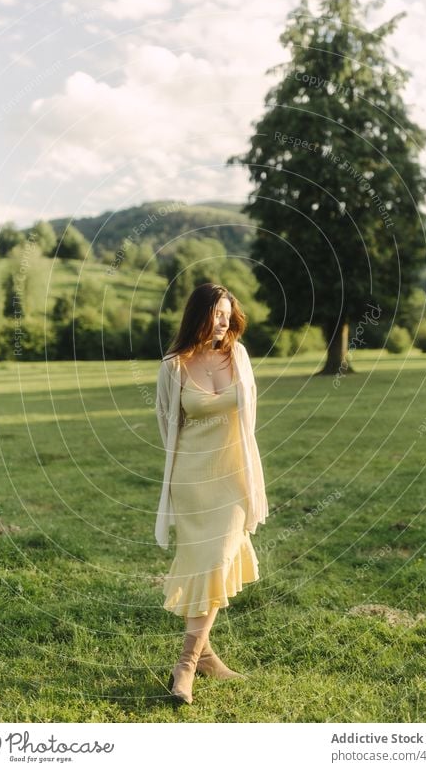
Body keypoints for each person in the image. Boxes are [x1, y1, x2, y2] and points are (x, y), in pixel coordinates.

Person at [155, 282, 268, 704]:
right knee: (205, 563)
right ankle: (202, 658)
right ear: (198, 316)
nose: (223, 321)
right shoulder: (173, 366)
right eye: (215, 313)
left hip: (233, 477)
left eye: (227, 313)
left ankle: (185, 664)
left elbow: (250, 416)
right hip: (192, 480)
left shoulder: (237, 356)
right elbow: (166, 422)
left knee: (218, 560)